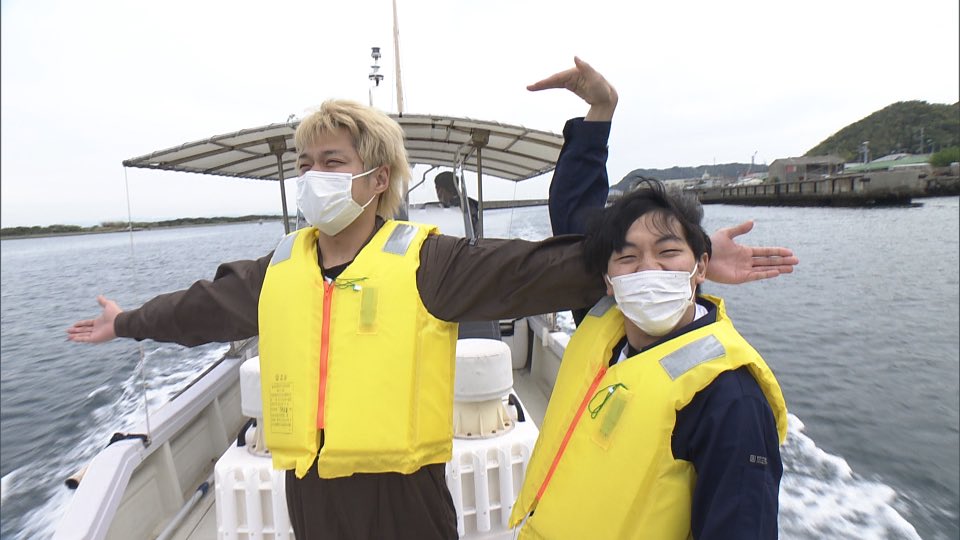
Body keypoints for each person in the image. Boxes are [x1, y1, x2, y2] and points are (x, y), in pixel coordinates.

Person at [67, 90, 795, 539]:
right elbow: (201, 308)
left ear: (375, 177)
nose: (313, 176)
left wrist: (679, 261)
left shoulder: (427, 261)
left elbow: (544, 268)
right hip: (309, 491)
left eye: (330, 161)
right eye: (304, 163)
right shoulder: (278, 268)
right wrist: (127, 321)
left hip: (402, 499)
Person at [509, 59, 789, 539]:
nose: (648, 272)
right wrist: (601, 111)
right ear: (607, 279)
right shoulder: (607, 321)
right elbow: (575, 213)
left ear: (701, 266)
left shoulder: (730, 399)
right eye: (628, 257)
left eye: (669, 253)